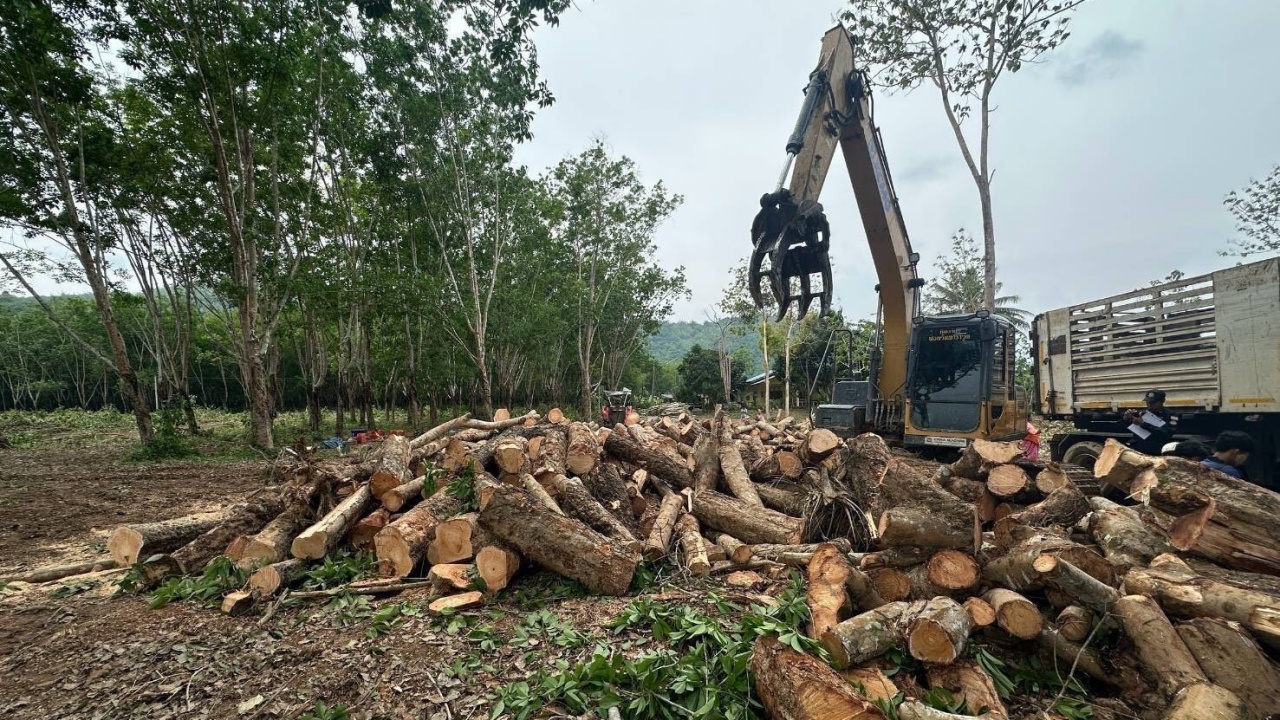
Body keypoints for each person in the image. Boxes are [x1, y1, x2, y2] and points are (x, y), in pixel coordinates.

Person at [1122, 389, 1175, 455]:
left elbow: (1167, 433)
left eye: (1153, 403)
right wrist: (1126, 418)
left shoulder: (1170, 415)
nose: (1149, 405)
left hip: (1155, 449)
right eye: (1148, 402)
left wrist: (1143, 424)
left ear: (1162, 401)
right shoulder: (1142, 413)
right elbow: (1125, 429)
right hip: (1139, 448)